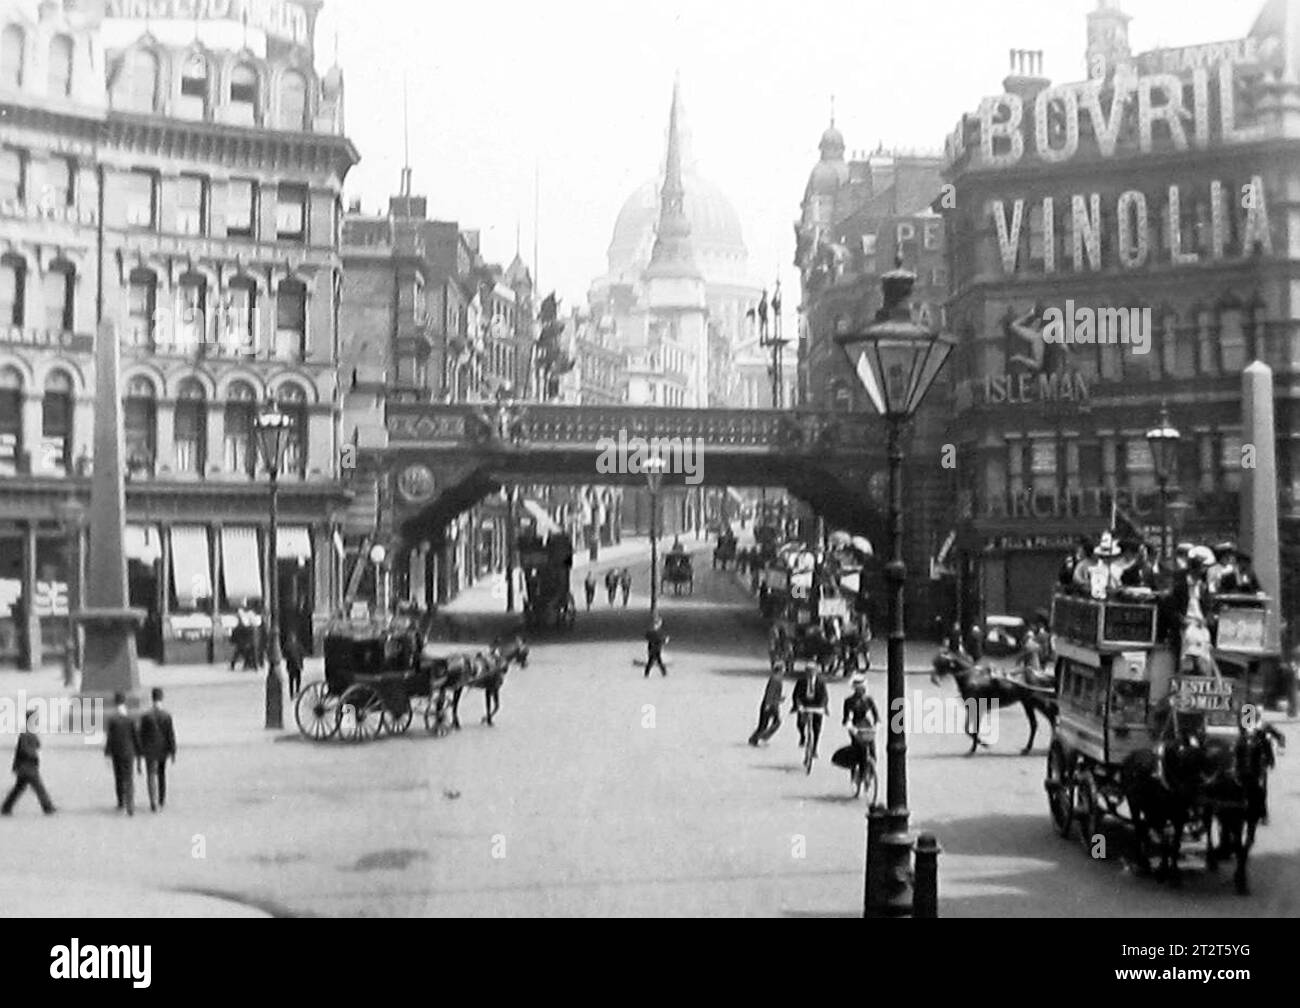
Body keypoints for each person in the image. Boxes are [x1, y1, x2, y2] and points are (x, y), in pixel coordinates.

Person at [2, 707, 55, 816]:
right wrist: (33, 755)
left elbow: (36, 744)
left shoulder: (29, 732)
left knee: (19, 788)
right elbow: (26, 749)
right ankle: (48, 807)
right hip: (27, 766)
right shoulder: (27, 733)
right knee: (38, 787)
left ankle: (6, 807)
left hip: (25, 766)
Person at [138, 688, 176, 813]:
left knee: (150, 775)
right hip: (163, 748)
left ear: (152, 698)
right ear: (162, 698)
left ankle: (153, 801)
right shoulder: (166, 715)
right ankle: (161, 798)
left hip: (150, 749)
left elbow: (141, 734)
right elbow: (170, 734)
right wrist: (173, 750)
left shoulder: (146, 716)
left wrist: (140, 751)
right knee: (161, 773)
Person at [104, 693, 142, 816]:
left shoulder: (112, 720)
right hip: (129, 751)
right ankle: (130, 804)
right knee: (129, 778)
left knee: (119, 777)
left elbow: (109, 738)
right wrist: (139, 751)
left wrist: (107, 753)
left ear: (115, 703)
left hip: (116, 751)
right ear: (124, 702)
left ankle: (121, 802)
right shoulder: (130, 719)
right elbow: (135, 736)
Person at [835, 675, 879, 777]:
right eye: (858, 690)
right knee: (860, 748)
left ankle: (871, 768)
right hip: (855, 724)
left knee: (872, 747)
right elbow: (847, 717)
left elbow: (875, 714)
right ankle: (858, 771)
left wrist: (876, 724)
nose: (861, 692)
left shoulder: (869, 700)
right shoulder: (849, 701)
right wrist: (850, 726)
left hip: (866, 724)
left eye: (862, 689)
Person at [791, 664, 830, 759]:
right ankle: (803, 736)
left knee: (817, 728)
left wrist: (822, 706)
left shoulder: (821, 682)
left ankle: (815, 748)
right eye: (809, 671)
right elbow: (796, 694)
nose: (811, 673)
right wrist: (798, 705)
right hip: (804, 704)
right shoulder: (801, 681)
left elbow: (824, 696)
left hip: (817, 705)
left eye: (813, 671)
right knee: (800, 723)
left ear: (816, 672)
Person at [748, 667, 784, 746]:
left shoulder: (776, 679)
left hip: (773, 704)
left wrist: (779, 698)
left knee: (765, 724)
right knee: (772, 723)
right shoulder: (775, 680)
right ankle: (760, 738)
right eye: (782, 671)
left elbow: (774, 693)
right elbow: (770, 693)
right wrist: (768, 704)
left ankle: (755, 738)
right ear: (779, 671)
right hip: (770, 705)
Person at [283, 630, 304, 698]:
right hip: (292, 665)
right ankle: (292, 693)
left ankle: (297, 691)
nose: (292, 638)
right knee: (292, 680)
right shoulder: (289, 645)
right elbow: (285, 654)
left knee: (297, 679)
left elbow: (302, 654)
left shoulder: (296, 645)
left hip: (296, 665)